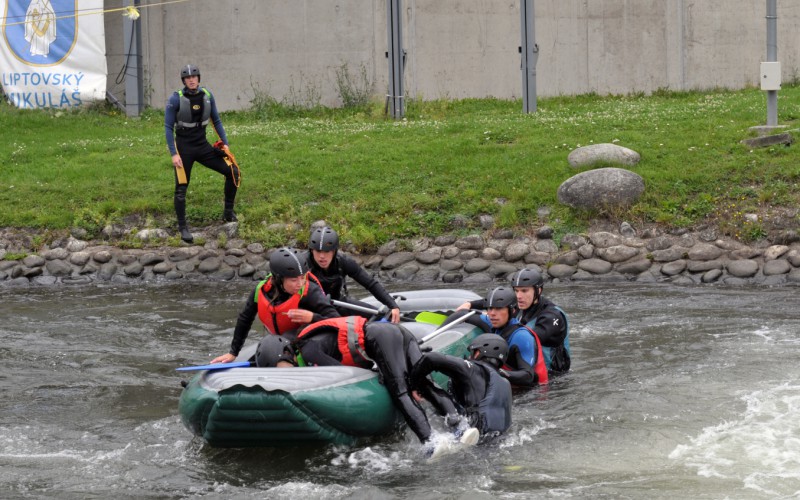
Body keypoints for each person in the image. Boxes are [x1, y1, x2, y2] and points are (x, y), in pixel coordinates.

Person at [292, 316, 478, 452]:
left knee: (400, 392)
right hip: (398, 332)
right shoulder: (320, 337)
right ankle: (460, 427)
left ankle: (430, 442)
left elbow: (340, 372)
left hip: (380, 338)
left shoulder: (307, 349)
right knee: (426, 383)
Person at [209, 247, 339, 364]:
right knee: (265, 352)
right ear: (279, 279)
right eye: (294, 280)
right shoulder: (261, 291)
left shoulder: (309, 291)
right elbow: (245, 319)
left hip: (313, 342)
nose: (300, 284)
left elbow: (337, 321)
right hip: (280, 342)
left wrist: (312, 317)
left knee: (288, 337)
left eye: (303, 277)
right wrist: (233, 352)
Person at [164, 64, 240, 243]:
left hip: (203, 147)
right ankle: (183, 227)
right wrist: (174, 154)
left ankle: (228, 213)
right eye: (187, 78)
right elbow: (168, 127)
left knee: (233, 171)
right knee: (181, 188)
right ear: (183, 81)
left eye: (194, 77)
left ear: (198, 78)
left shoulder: (207, 95)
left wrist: (225, 144)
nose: (191, 80)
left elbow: (216, 120)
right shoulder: (175, 99)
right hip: (184, 150)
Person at [410, 333, 512, 442]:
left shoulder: (474, 370)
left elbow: (431, 358)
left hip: (473, 435)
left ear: (479, 352)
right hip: (499, 440)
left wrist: (413, 384)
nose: (470, 356)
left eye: (473, 352)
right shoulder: (505, 383)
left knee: (424, 383)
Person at [447, 286, 548, 389]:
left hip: (528, 392)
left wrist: (495, 371)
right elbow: (462, 315)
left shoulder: (522, 336)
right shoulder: (490, 322)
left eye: (499, 308)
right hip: (502, 385)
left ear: (512, 310)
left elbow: (528, 376)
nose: (492, 314)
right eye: (490, 308)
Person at [304, 226, 401, 323]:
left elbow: (370, 284)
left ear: (334, 251)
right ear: (312, 250)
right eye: (318, 251)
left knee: (381, 317)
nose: (322, 256)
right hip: (311, 309)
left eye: (326, 251)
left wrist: (392, 305)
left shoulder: (343, 262)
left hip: (337, 303)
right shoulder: (302, 263)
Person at [509, 268, 571, 375]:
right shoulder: (521, 305)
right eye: (516, 290)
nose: (518, 296)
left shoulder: (551, 316)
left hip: (552, 377)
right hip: (526, 369)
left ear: (538, 291)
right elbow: (495, 303)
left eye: (524, 291)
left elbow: (528, 340)